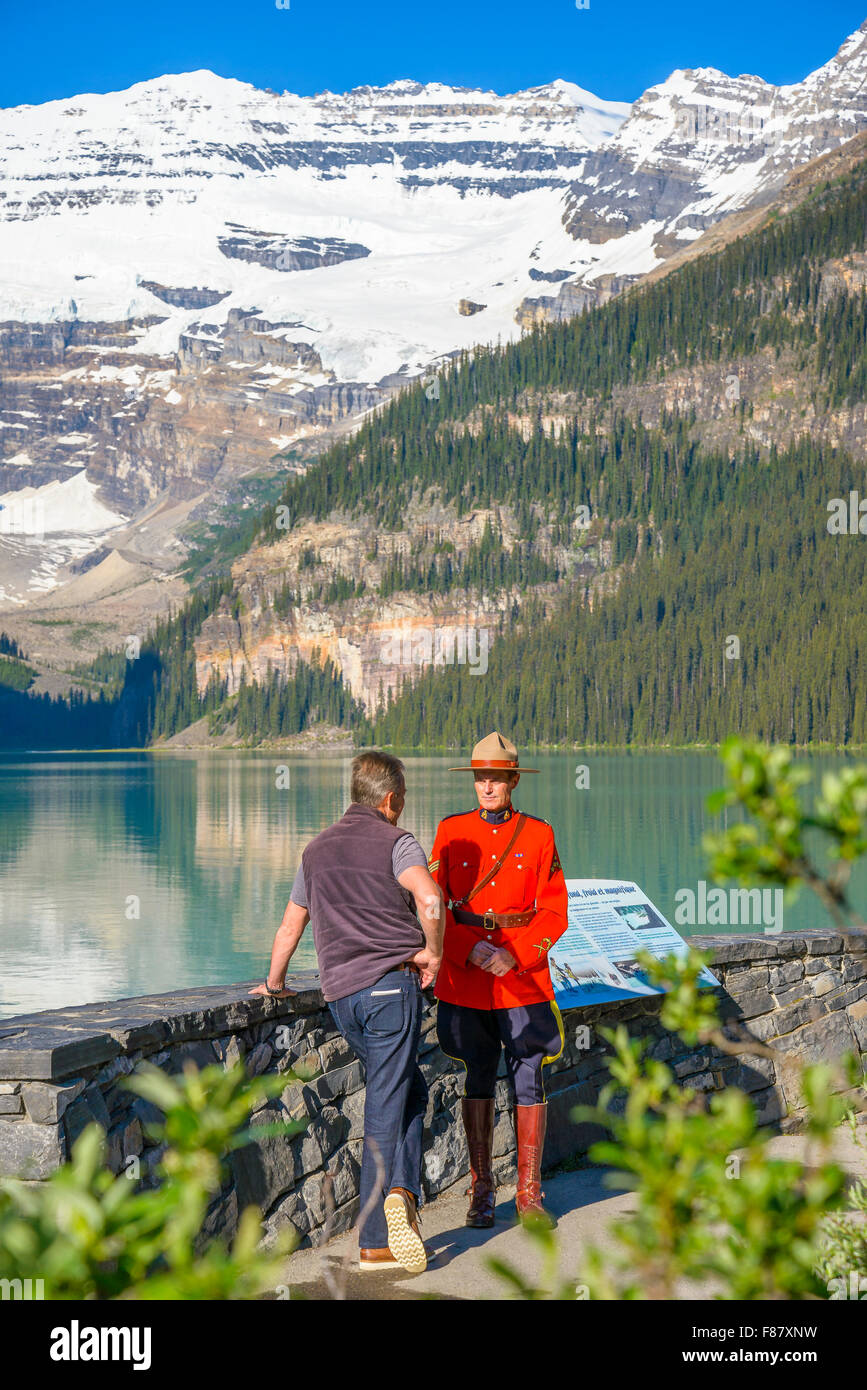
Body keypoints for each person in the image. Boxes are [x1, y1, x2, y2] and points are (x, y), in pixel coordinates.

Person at [250, 750, 444, 1274]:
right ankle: (377, 1237)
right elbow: (429, 899)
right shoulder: (396, 841)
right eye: (401, 800)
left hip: (341, 1000)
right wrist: (434, 952)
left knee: (408, 1090)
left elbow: (290, 927)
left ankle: (400, 1195)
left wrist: (274, 984)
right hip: (390, 991)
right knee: (386, 1101)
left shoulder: (315, 851)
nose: (402, 809)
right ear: (389, 799)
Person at [427, 731, 568, 1227]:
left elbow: (554, 912)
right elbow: (432, 906)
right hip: (467, 977)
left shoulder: (539, 834)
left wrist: (516, 956)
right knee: (478, 1074)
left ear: (512, 780)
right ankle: (481, 1191)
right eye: (480, 778)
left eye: (496, 778)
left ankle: (529, 1195)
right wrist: (466, 949)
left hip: (520, 977)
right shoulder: (449, 833)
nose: (487, 787)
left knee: (529, 1074)